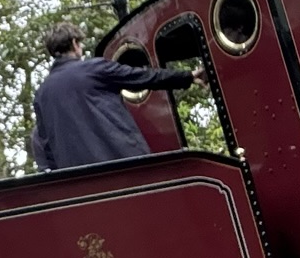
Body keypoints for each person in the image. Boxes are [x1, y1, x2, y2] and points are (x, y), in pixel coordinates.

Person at [29, 21, 202, 170]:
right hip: (124, 162)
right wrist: (187, 76)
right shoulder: (94, 69)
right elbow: (143, 77)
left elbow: (46, 146)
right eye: (80, 44)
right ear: (74, 43)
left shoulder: (41, 94)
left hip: (80, 182)